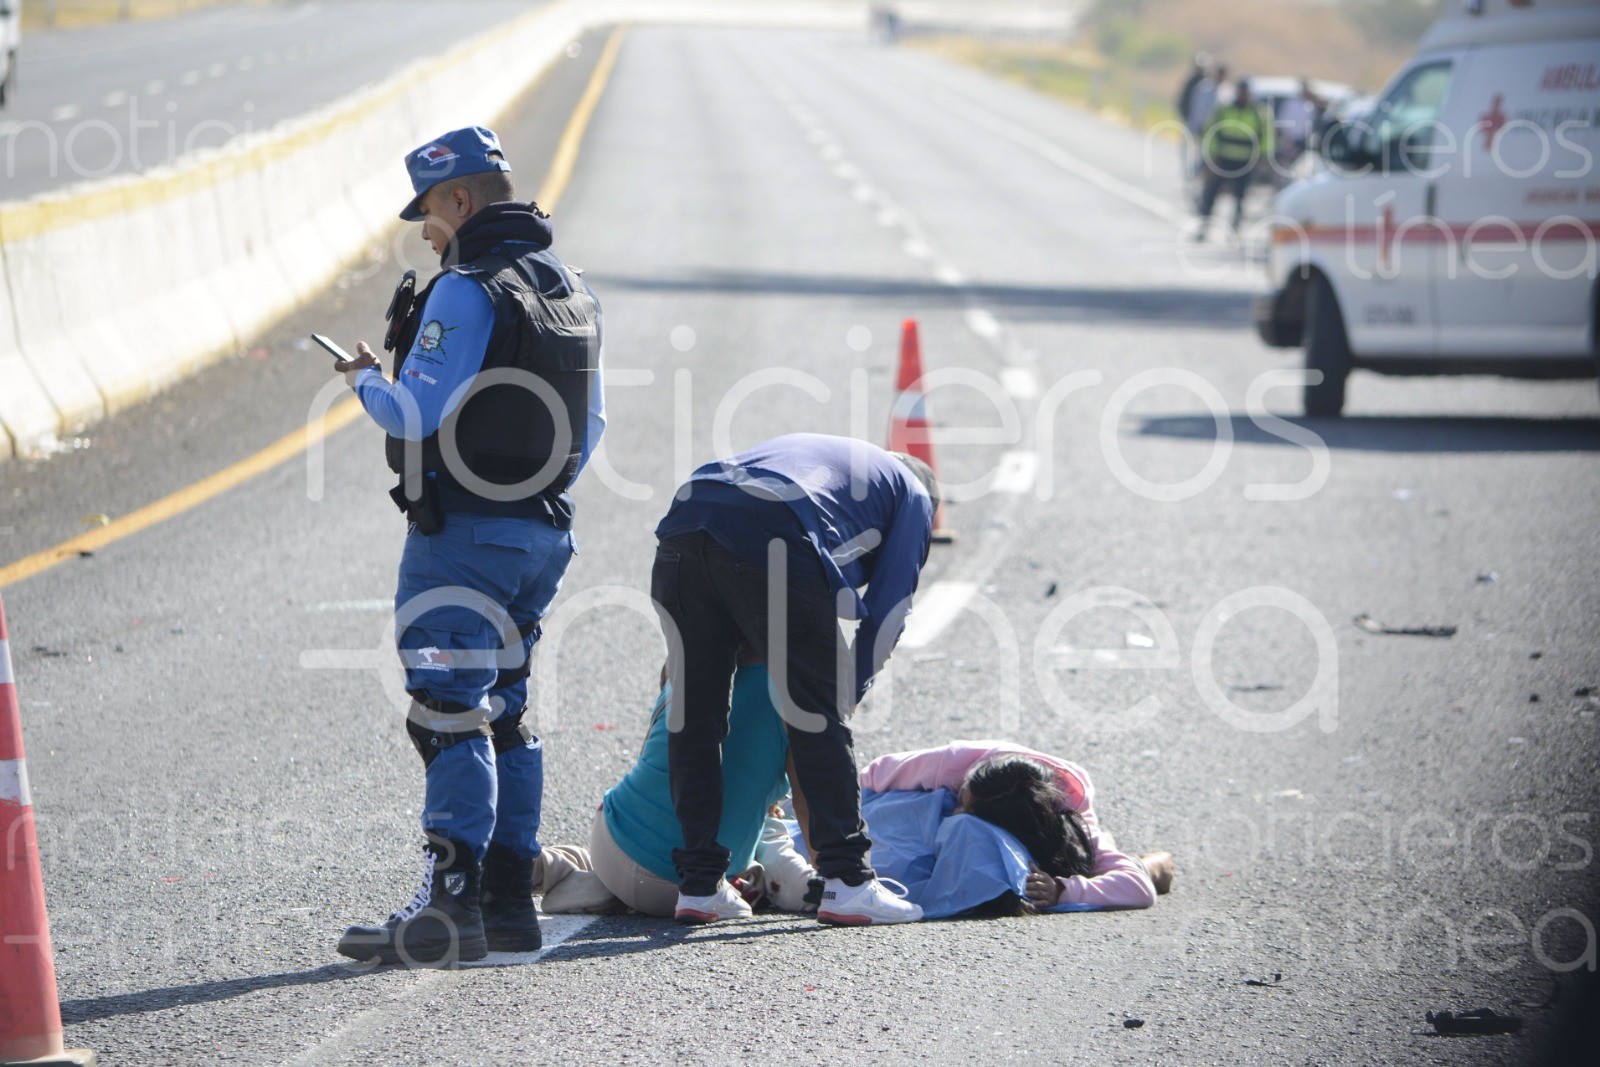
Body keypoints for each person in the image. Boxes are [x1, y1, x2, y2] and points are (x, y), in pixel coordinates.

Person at [329, 125, 606, 966]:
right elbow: (591, 428)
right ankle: (507, 905)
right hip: (542, 535)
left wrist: (365, 381)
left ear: (459, 198)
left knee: (447, 710)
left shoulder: (468, 288)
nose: (425, 233)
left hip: (461, 538)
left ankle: (448, 907)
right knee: (510, 711)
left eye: (430, 214)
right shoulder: (571, 286)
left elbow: (414, 414)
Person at [651, 433, 939, 926]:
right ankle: (848, 882)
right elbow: (886, 616)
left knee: (694, 713)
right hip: (775, 527)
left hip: (686, 515)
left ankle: (699, 886)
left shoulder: (845, 470)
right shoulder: (913, 497)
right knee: (812, 713)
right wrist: (843, 694)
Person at [538, 659, 820, 918]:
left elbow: (657, 761)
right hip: (702, 886)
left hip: (615, 844)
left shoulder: (688, 651)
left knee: (661, 815)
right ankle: (794, 878)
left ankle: (536, 868)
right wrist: (838, 878)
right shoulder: (795, 688)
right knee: (763, 819)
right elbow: (808, 806)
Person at [856, 741, 1173, 918]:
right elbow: (866, 781)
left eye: (968, 811)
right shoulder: (951, 765)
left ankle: (1152, 863)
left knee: (1097, 866)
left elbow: (1136, 888)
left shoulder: (1070, 813)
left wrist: (1064, 890)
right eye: (961, 800)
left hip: (1048, 831)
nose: (958, 813)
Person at [1195, 77, 1273, 241]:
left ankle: (1234, 231)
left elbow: (1266, 138)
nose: (1243, 94)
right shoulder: (1224, 110)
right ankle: (1203, 228)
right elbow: (1211, 133)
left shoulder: (1258, 113)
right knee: (1210, 195)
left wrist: (1261, 159)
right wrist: (1210, 158)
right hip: (1222, 160)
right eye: (1240, 90)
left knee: (1240, 198)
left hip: (1244, 163)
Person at [1184, 62, 1227, 179]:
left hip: (1219, 132)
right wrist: (1196, 127)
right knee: (1200, 156)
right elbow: (1197, 109)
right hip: (1202, 128)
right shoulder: (1204, 88)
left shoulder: (1226, 92)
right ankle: (1194, 177)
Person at [1175, 53, 1212, 178]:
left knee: (1201, 150)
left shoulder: (1208, 84)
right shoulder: (1191, 82)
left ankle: (1195, 171)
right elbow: (1183, 100)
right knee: (1186, 146)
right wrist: (1185, 116)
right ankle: (1186, 170)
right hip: (1191, 119)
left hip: (1204, 123)